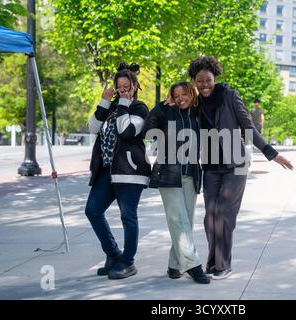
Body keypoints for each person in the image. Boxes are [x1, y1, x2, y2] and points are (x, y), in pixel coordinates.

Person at [188, 56, 294, 280]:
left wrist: (271, 153)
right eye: (199, 81)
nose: (204, 84)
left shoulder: (229, 95)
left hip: (235, 164)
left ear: (214, 77)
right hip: (210, 166)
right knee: (210, 216)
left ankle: (223, 265)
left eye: (207, 80)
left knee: (225, 214)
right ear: (194, 82)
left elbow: (248, 127)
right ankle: (213, 262)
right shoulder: (195, 103)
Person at [85, 62, 151, 280]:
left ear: (135, 86)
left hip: (129, 171)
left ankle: (128, 262)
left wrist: (124, 103)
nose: (122, 89)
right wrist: (105, 101)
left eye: (126, 86)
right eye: (119, 86)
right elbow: (93, 128)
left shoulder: (140, 107)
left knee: (128, 216)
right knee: (93, 210)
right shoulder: (111, 106)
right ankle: (113, 253)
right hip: (106, 170)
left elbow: (127, 130)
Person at [143, 82, 209, 284]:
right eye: (176, 95)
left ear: (192, 94)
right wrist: (163, 105)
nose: (181, 98)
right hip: (169, 175)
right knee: (178, 220)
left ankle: (174, 265)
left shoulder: (198, 113)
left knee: (185, 222)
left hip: (191, 174)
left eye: (184, 94)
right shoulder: (166, 113)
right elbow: (148, 129)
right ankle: (193, 265)